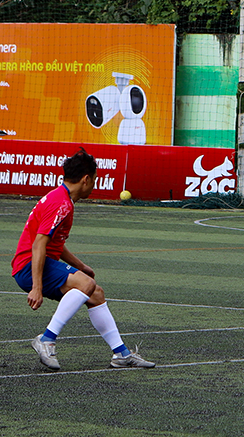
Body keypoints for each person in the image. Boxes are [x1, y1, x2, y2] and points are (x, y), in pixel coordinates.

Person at [12, 149, 154, 371]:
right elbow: (39, 244)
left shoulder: (62, 199)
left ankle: (121, 354)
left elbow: (54, 243)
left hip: (38, 263)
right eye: (94, 180)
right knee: (86, 285)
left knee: (95, 293)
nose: (94, 185)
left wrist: (80, 266)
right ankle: (46, 339)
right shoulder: (61, 203)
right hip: (29, 267)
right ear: (86, 179)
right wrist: (36, 288)